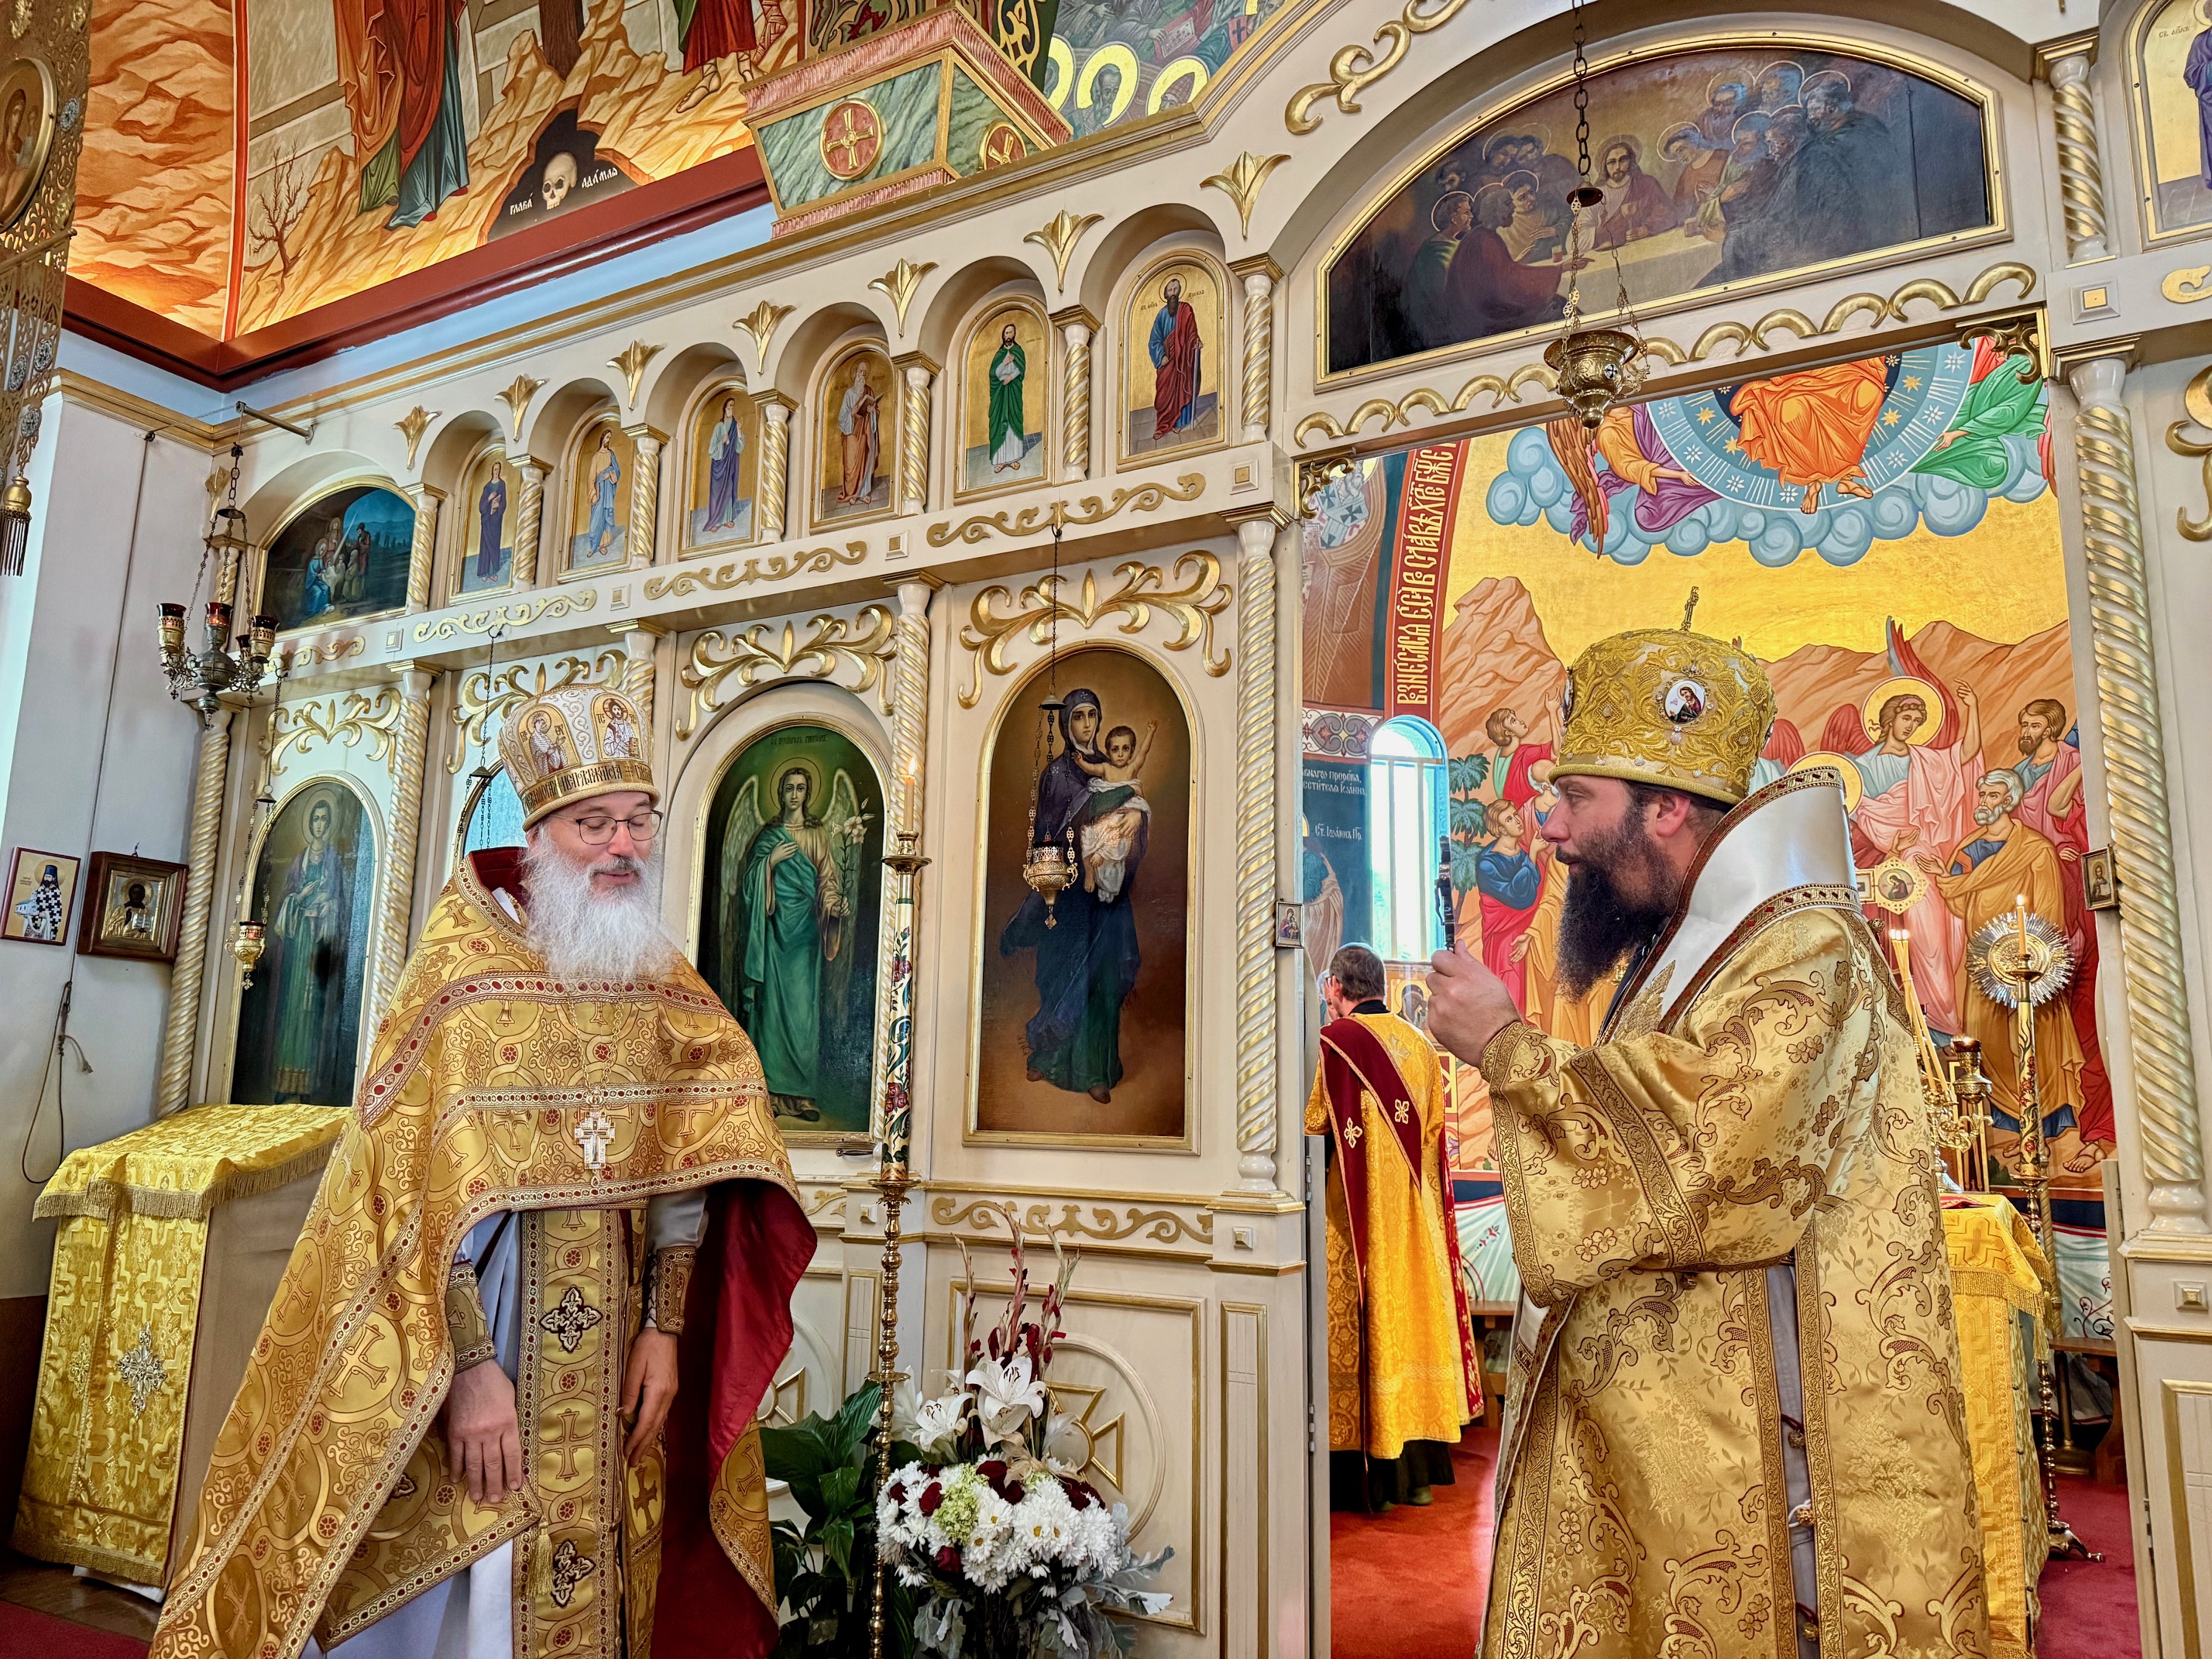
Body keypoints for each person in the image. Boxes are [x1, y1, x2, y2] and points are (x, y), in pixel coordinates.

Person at [149, 685, 814, 1659]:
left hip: (617, 1341)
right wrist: (470, 1373)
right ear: (538, 836)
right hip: (482, 1341)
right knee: (477, 1598)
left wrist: (667, 1329)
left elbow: (690, 1163)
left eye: (637, 821)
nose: (623, 847)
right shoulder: (460, 975)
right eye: (593, 824)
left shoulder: (657, 976)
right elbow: (406, 1198)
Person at [1424, 620, 1987, 1659]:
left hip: (1773, 1462)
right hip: (1678, 1448)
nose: (1551, 827)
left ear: (1667, 808)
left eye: (1576, 797)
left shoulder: (1804, 943)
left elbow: (1710, 1153)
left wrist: (1508, 1050)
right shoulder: (1702, 940)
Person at [1306, 945, 1479, 1513]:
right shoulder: (1421, 1046)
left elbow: (1314, 1124)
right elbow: (1431, 1135)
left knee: (1360, 1332)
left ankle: (1368, 1485)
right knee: (1408, 1331)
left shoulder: (1336, 1042)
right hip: (1414, 1223)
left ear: (1336, 988)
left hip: (1355, 1219)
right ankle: (1418, 1478)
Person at [1923, 771, 2086, 1146]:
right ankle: (2004, 1129)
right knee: (1988, 1040)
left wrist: (2033, 960)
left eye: (1993, 795)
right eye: (1982, 794)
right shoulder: (1969, 847)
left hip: (2026, 964)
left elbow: (2049, 910)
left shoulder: (2036, 850)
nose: (1984, 801)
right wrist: (1947, 882)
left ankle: (2045, 1126)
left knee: (2035, 1038)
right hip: (1983, 963)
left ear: (2009, 800)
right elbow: (1961, 905)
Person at [999, 689, 1142, 1104]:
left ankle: (1094, 1071)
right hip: (1066, 894)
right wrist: (1051, 875)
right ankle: (1048, 1058)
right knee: (1058, 973)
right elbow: (1046, 834)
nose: (1087, 724)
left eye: (1092, 715)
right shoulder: (1057, 774)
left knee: (1101, 982)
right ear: (1065, 724)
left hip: (1107, 897)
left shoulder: (1112, 766)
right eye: (1078, 717)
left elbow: (1133, 810)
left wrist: (1136, 815)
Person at [1848, 675, 1980, 1033]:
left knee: (1941, 932)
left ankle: (1940, 1018)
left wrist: (1972, 709)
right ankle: (1933, 1016)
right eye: (1906, 718)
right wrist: (1892, 846)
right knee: (1922, 935)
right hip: (1890, 861)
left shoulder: (1926, 760)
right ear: (1889, 718)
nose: (1911, 726)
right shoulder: (1862, 767)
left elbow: (1965, 754)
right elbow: (1860, 815)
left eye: (1917, 721)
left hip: (1925, 857)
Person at [737, 763, 852, 1121]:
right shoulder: (767, 836)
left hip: (805, 934)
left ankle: (802, 1097)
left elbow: (827, 879)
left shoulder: (817, 835)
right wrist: (769, 863)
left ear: (808, 794)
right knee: (771, 1011)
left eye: (801, 788)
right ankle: (769, 1093)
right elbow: (748, 886)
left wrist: (834, 904)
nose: (794, 795)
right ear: (780, 792)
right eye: (789, 788)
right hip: (773, 932)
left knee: (803, 1014)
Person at [1729, 353, 1887, 513]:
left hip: (1840, 367)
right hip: (1795, 374)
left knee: (1868, 392)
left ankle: (1846, 477)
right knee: (1792, 409)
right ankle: (1813, 480)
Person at [268, 796, 348, 1100]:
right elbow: (287, 899)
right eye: (316, 819)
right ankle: (283, 1083)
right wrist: (300, 898)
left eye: (325, 819)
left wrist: (329, 904)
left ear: (330, 824)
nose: (319, 825)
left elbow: (341, 902)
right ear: (310, 823)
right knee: (292, 1009)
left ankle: (307, 1085)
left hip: (319, 944)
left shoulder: (333, 860)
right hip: (299, 940)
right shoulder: (300, 860)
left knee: (312, 1009)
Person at [1442, 184, 1566, 341]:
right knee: (1558, 306)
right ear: (1496, 211)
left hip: (1482, 310)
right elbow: (1508, 279)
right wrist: (1559, 270)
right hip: (1487, 316)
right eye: (1508, 204)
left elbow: (1504, 272)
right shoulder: (1486, 239)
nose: (1513, 208)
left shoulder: (1481, 235)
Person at [1073, 720, 1156, 902]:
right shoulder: (1106, 768)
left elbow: (1144, 753)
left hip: (1123, 813)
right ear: (1108, 751)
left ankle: (1103, 854)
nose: (1120, 754)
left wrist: (1150, 733)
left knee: (1120, 836)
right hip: (1106, 814)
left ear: (1131, 752)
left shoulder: (1132, 768)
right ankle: (1090, 872)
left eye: (1125, 749)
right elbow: (1091, 768)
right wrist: (1080, 762)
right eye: (1115, 749)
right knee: (1087, 834)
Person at [1473, 799, 1540, 1014]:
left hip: (1529, 935)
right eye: (1509, 819)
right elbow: (1517, 897)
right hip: (1504, 940)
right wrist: (1533, 856)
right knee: (1511, 995)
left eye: (1515, 814)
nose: (1518, 821)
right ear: (1501, 829)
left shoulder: (1523, 852)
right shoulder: (1488, 863)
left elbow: (1540, 892)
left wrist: (1533, 933)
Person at [1589, 136, 1676, 247]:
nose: (1617, 167)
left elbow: (1669, 214)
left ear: (1631, 161)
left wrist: (1647, 229)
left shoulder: (1647, 184)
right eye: (1611, 162)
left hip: (1649, 245)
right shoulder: (1599, 195)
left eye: (1623, 160)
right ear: (1604, 166)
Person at [1148, 275, 1204, 438]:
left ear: (1179, 292)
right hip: (1167, 361)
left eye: (1176, 290)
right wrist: (1161, 357)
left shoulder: (1186, 310)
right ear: (1165, 294)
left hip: (1183, 360)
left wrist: (1196, 342)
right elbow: (1154, 340)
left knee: (1183, 387)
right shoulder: (1161, 315)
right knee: (1163, 395)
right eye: (1170, 290)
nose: (1173, 293)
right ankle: (1162, 426)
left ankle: (1180, 423)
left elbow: (1192, 332)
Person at [835, 361, 881, 505]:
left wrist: (873, 412)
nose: (863, 375)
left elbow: (875, 409)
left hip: (865, 432)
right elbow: (841, 417)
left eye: (865, 373)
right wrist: (851, 413)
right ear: (855, 373)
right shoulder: (849, 394)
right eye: (860, 372)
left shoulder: (869, 391)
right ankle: (852, 494)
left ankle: (863, 493)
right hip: (852, 434)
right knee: (851, 465)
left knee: (866, 458)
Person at [988, 320, 1029, 473]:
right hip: (1000, 394)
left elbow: (1021, 368)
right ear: (1003, 336)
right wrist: (1004, 363)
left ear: (1014, 334)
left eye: (1011, 332)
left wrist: (1011, 377)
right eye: (1007, 333)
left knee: (1013, 419)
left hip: (1013, 392)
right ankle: (1000, 461)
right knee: (999, 423)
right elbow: (994, 374)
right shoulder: (999, 355)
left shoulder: (1018, 351)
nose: (1009, 335)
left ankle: (1013, 458)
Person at [704, 395, 747, 531]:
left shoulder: (735, 426)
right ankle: (715, 521)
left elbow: (739, 448)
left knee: (729, 488)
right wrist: (722, 442)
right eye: (729, 406)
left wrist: (739, 431)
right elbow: (711, 449)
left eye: (733, 407)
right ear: (725, 409)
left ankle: (727, 520)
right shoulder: (719, 427)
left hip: (730, 463)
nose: (731, 409)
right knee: (717, 492)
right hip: (719, 464)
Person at [584, 429, 622, 561]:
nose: (608, 440)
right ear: (602, 438)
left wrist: (610, 473)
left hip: (608, 489)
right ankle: (593, 545)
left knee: (607, 516)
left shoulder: (611, 454)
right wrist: (594, 492)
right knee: (596, 518)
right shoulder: (596, 457)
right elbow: (591, 476)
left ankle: (602, 544)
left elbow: (617, 470)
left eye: (609, 438)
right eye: (607, 437)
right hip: (599, 489)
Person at [475, 459, 508, 581]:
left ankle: (493, 572)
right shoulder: (487, 487)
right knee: (486, 545)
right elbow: (481, 506)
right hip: (487, 519)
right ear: (492, 471)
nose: (496, 471)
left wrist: (499, 505)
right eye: (495, 469)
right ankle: (484, 573)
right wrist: (489, 499)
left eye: (498, 469)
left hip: (496, 519)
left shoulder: (502, 484)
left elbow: (504, 501)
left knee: (494, 544)